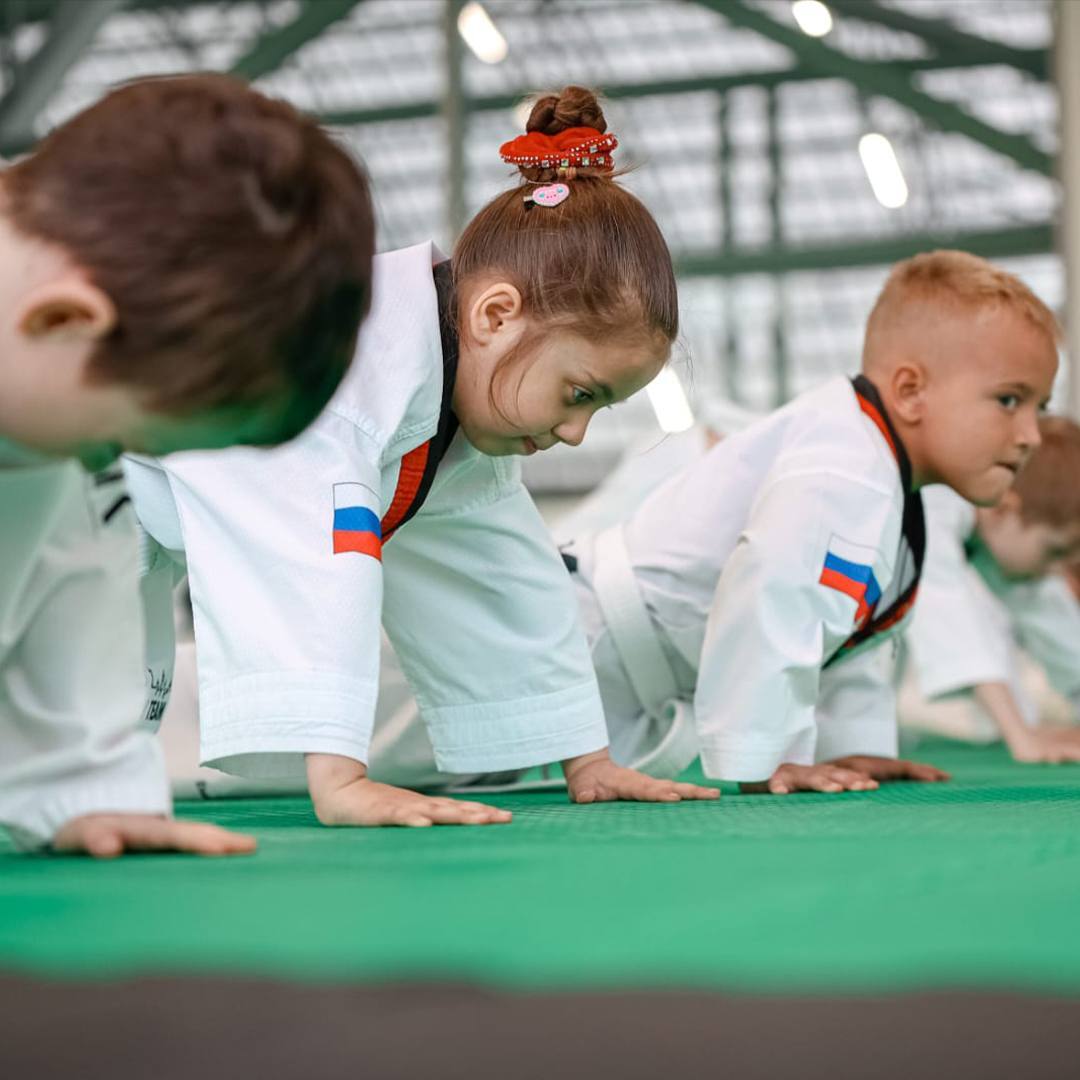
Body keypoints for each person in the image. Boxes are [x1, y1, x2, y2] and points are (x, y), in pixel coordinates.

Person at [127, 86, 720, 828]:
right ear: (494, 315)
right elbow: (313, 553)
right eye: (579, 393)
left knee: (77, 776)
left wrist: (587, 759)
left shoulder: (446, 414)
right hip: (52, 487)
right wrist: (341, 780)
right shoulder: (344, 359)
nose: (576, 434)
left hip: (114, 543)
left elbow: (506, 577)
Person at [0, 74, 375, 855]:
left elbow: (78, 581)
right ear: (66, 320)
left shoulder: (42, 403)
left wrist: (75, 791)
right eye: (115, 442)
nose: (107, 463)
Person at [559, 250, 1059, 793]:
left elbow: (842, 639)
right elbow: (773, 594)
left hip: (612, 676)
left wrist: (854, 747)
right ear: (911, 392)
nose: (1031, 434)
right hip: (570, 638)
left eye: (1041, 407)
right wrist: (768, 756)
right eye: (1009, 400)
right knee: (455, 755)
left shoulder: (892, 487)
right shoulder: (845, 463)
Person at [902, 418, 1080, 762]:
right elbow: (951, 616)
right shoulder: (930, 505)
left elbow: (1059, 629)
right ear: (1003, 510)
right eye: (1054, 551)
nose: (1058, 569)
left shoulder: (997, 530)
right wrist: (1022, 736)